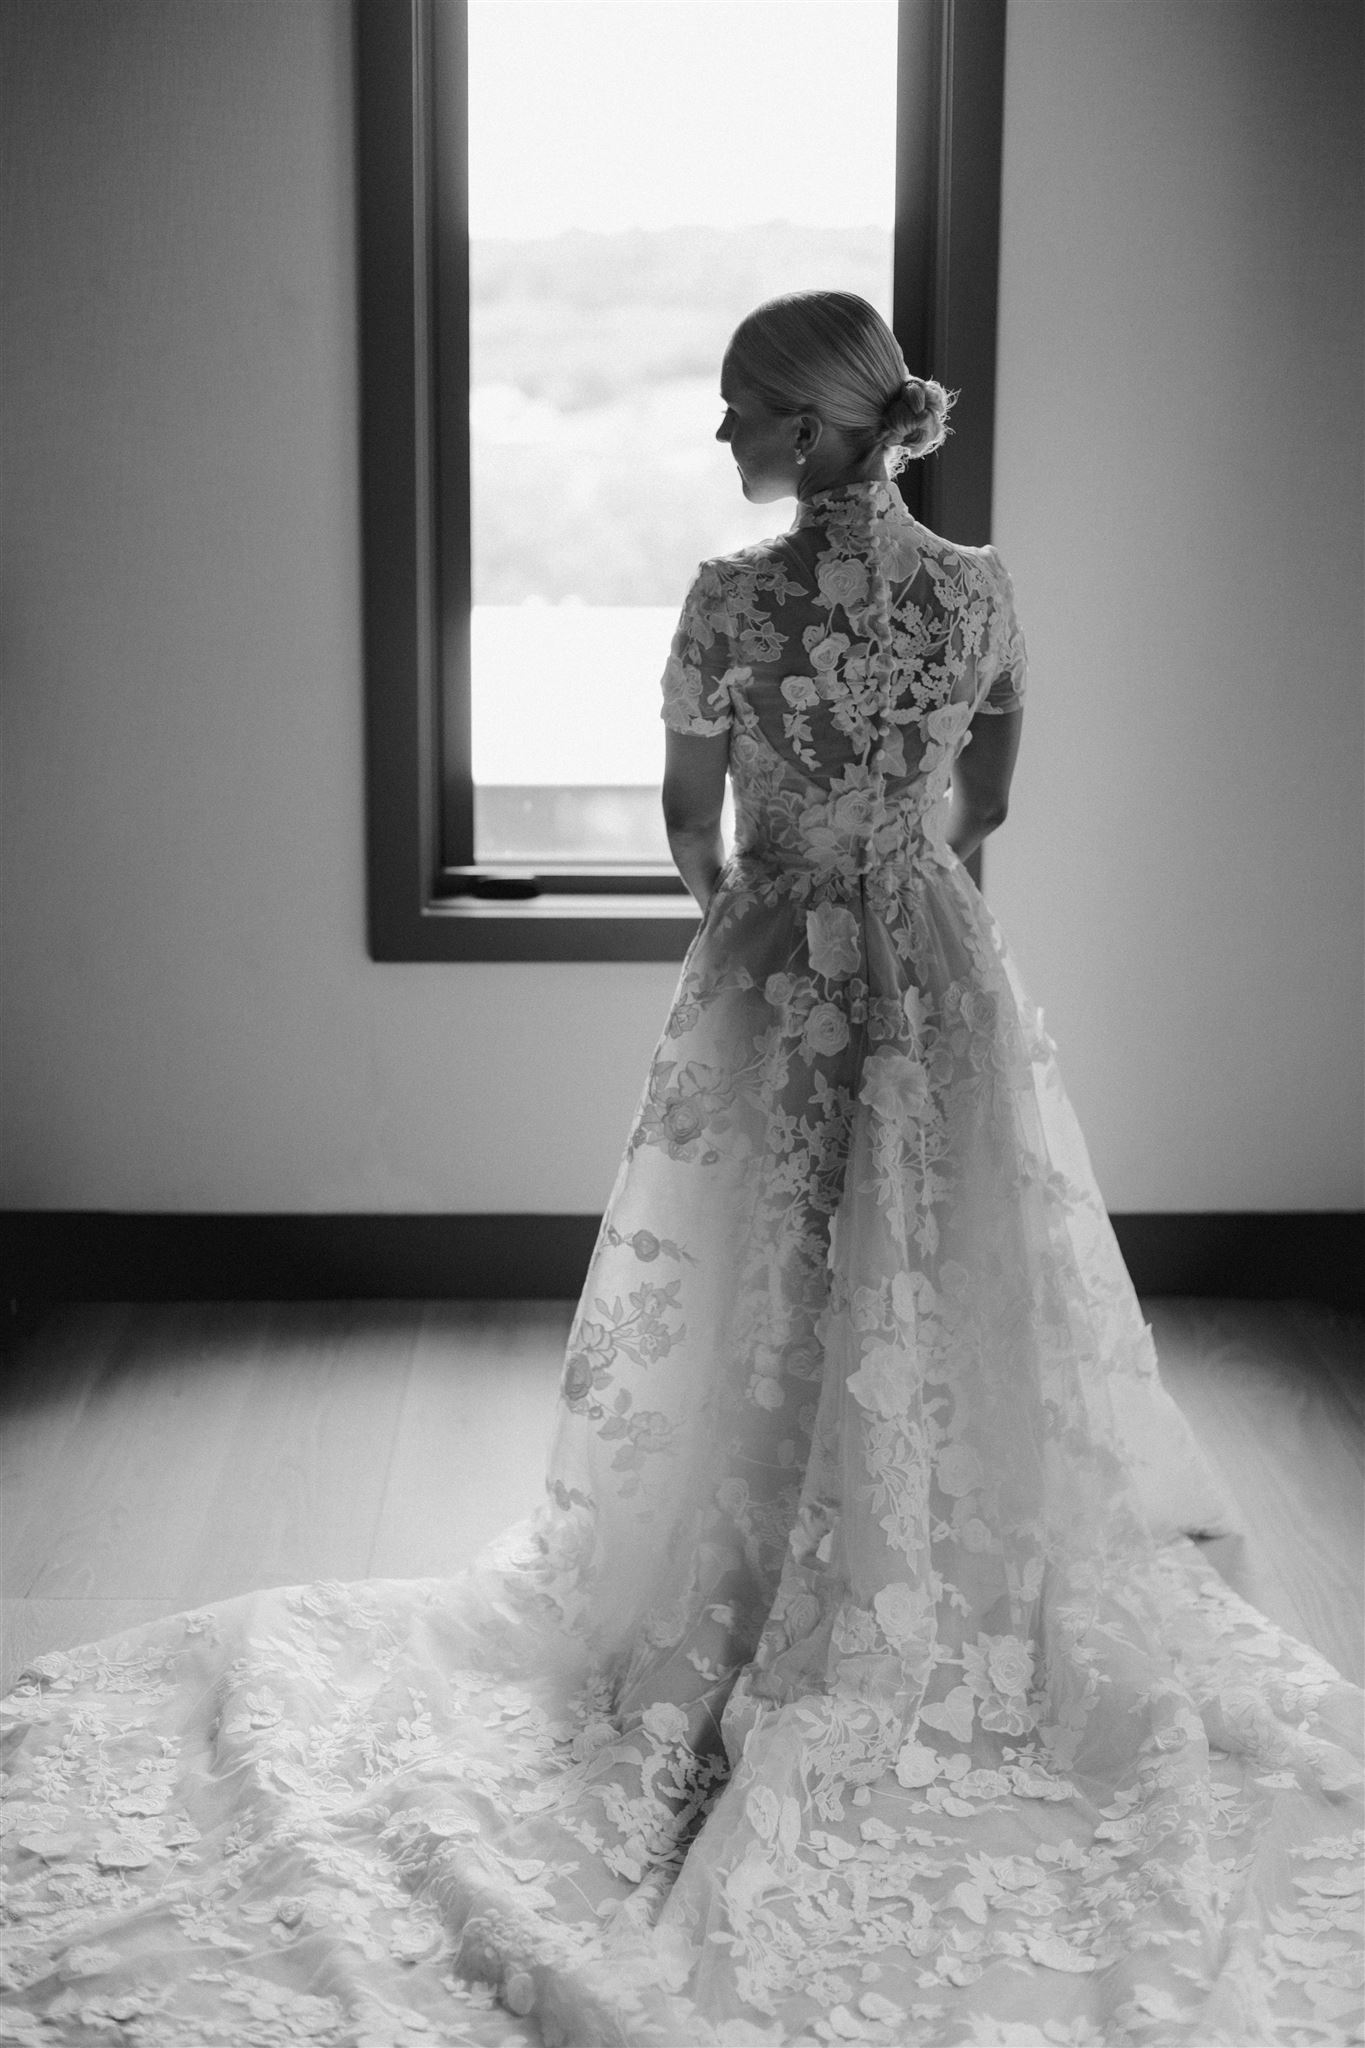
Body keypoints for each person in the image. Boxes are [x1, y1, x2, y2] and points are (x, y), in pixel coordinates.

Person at [2, 293, 1360, 2048]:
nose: (716, 437)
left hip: (780, 968)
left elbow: (677, 818)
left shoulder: (734, 600)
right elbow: (992, 794)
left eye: (734, 409)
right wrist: (917, 889)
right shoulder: (979, 586)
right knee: (936, 1261)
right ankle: (916, 1555)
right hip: (932, 965)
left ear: (806, 432)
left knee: (766, 1271)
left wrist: (749, 930)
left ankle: (749, 1558)